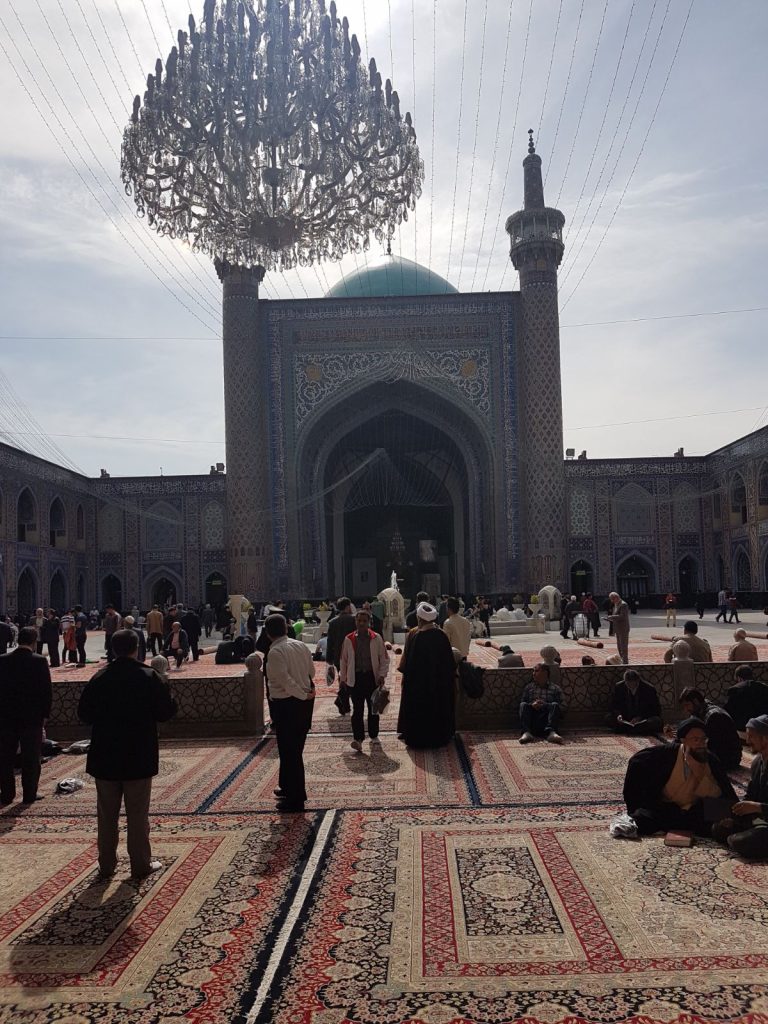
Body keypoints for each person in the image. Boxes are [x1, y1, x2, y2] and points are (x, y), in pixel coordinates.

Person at [77, 628, 177, 880]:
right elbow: (165, 712)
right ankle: (140, 864)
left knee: (106, 815)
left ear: (113, 649)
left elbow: (84, 714)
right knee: (137, 814)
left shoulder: (100, 677)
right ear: (136, 648)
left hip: (105, 756)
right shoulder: (149, 676)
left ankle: (106, 864)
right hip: (138, 755)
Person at [622, 717, 736, 837]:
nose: (701, 744)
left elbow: (724, 796)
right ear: (683, 741)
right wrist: (634, 805)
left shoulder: (711, 760)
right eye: (695, 739)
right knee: (642, 819)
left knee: (729, 813)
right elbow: (636, 761)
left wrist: (700, 775)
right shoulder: (667, 754)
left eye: (704, 739)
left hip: (696, 809)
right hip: (668, 808)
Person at [263, 613, 315, 812]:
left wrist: (302, 695)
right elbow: (312, 672)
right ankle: (286, 786)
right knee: (291, 749)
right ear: (286, 628)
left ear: (267, 633)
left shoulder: (275, 652)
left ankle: (296, 798)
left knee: (291, 752)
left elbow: (286, 682)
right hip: (303, 704)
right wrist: (305, 694)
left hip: (288, 705)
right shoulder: (300, 645)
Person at [0, 627, 52, 806]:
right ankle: (29, 794)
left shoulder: (3, 660)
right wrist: (45, 715)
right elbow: (46, 691)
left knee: (5, 757)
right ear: (34, 641)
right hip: (32, 717)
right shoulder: (39, 661)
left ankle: (7, 794)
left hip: (6, 717)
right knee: (31, 757)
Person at [397, 602, 456, 748]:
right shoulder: (441, 636)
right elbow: (449, 663)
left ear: (420, 619)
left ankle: (418, 739)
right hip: (438, 685)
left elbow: (409, 665)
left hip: (419, 687)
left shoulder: (417, 637)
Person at [712, 715, 768, 860]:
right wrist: (738, 813)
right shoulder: (757, 762)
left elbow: (756, 805)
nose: (747, 741)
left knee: (743, 841)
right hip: (758, 818)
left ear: (765, 739)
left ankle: (740, 838)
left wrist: (758, 807)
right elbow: (751, 795)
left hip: (763, 817)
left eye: (751, 736)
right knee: (716, 821)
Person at [339, 608, 389, 752]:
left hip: (372, 678)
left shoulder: (376, 638)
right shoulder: (349, 639)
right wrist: (343, 679)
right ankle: (358, 739)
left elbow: (384, 659)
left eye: (364, 621)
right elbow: (343, 660)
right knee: (357, 710)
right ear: (355, 621)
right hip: (355, 679)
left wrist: (381, 675)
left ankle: (374, 735)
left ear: (369, 623)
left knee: (373, 708)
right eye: (359, 620)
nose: (361, 623)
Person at [675, 687, 742, 770]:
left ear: (696, 701)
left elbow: (710, 745)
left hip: (728, 758)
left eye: (687, 705)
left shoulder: (714, 716)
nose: (686, 709)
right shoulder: (699, 708)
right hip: (716, 752)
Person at [519, 662, 564, 744]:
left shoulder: (555, 688)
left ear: (545, 673)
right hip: (533, 720)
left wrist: (546, 705)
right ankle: (526, 732)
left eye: (536, 671)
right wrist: (532, 705)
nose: (533, 673)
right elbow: (523, 703)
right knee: (523, 705)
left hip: (547, 720)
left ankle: (551, 733)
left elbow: (563, 707)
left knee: (554, 705)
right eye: (533, 671)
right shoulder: (529, 687)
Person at [607, 669, 662, 735]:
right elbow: (614, 705)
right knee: (608, 718)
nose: (630, 686)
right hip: (625, 719)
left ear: (637, 681)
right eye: (628, 684)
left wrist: (640, 718)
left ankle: (629, 729)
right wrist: (619, 715)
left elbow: (656, 709)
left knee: (656, 721)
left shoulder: (649, 689)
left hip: (642, 720)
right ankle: (635, 730)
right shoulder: (619, 687)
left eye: (632, 684)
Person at [725, 665, 768, 729]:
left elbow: (728, 711)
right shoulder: (764, 687)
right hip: (763, 726)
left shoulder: (734, 689)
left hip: (742, 727)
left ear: (739, 678)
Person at [325, 597, 357, 671]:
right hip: (352, 654)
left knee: (341, 675)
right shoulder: (354, 620)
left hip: (338, 655)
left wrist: (329, 658)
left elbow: (330, 641)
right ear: (348, 607)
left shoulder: (332, 622)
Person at [607, 591, 630, 664]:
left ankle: (625, 662)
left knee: (623, 646)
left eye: (612, 599)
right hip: (617, 628)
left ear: (616, 597)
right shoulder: (616, 604)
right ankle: (622, 661)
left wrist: (612, 617)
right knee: (619, 646)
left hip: (623, 628)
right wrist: (611, 618)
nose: (612, 601)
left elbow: (623, 616)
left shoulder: (623, 604)